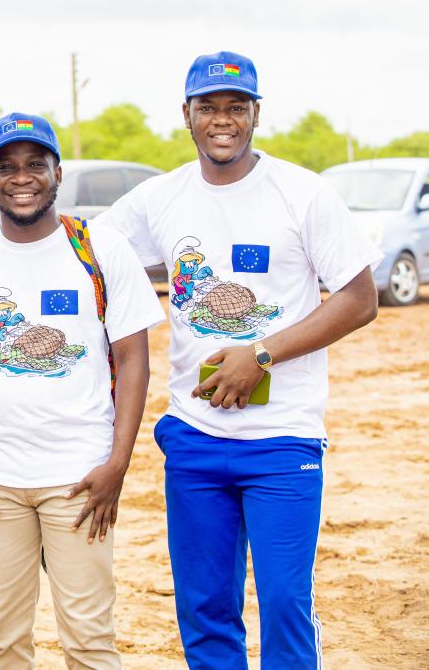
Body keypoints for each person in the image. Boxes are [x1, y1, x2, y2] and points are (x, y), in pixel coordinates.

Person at [96, 51, 381, 669]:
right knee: (205, 608)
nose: (221, 120)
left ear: (256, 113)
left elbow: (360, 300)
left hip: (282, 439)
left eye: (236, 107)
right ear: (187, 114)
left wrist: (262, 353)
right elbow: (71, 250)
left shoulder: (303, 194)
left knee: (284, 602)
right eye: (208, 107)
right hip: (195, 437)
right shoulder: (159, 198)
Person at [0, 113, 164, 669]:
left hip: (81, 479)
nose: (21, 177)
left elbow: (134, 360)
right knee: (2, 642)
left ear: (58, 173)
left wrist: (117, 464)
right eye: (6, 166)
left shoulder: (100, 250)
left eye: (36, 164)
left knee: (89, 640)